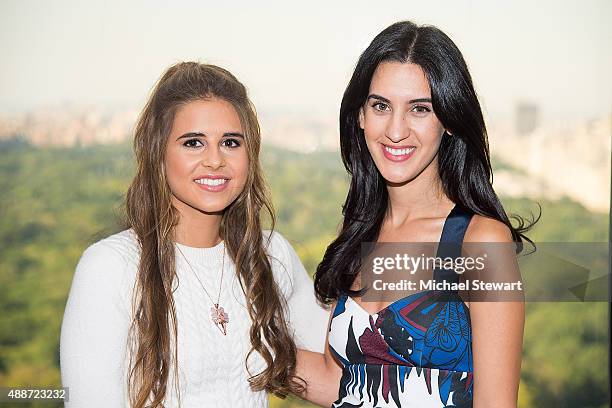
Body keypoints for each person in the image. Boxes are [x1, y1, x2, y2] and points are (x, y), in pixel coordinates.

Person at [60, 61, 329, 407]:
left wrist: (396, 223)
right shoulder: (111, 266)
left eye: (231, 142)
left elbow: (348, 367)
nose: (215, 160)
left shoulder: (269, 255)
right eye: (193, 143)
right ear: (158, 151)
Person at [297, 21, 534, 407]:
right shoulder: (357, 229)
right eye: (380, 106)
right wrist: (237, 339)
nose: (395, 130)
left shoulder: (481, 243)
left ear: (450, 121)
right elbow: (339, 382)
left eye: (419, 109)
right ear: (360, 115)